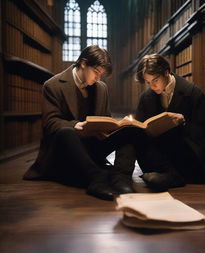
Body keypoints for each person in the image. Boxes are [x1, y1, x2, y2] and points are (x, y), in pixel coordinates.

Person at [23, 45, 135, 200]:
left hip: (92, 146)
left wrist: (113, 128)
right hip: (65, 151)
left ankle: (121, 177)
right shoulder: (53, 85)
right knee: (67, 132)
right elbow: (50, 123)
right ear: (83, 63)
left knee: (130, 131)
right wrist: (77, 125)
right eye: (96, 72)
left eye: (101, 75)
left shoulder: (101, 88)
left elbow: (105, 119)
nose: (98, 78)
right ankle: (97, 178)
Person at [117, 53, 205, 191]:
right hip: (157, 154)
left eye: (155, 80)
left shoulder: (193, 93)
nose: (152, 86)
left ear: (166, 72)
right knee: (130, 134)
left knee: (179, 154)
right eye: (148, 82)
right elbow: (141, 128)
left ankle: (170, 176)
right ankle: (125, 177)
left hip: (183, 154)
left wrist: (183, 123)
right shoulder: (146, 97)